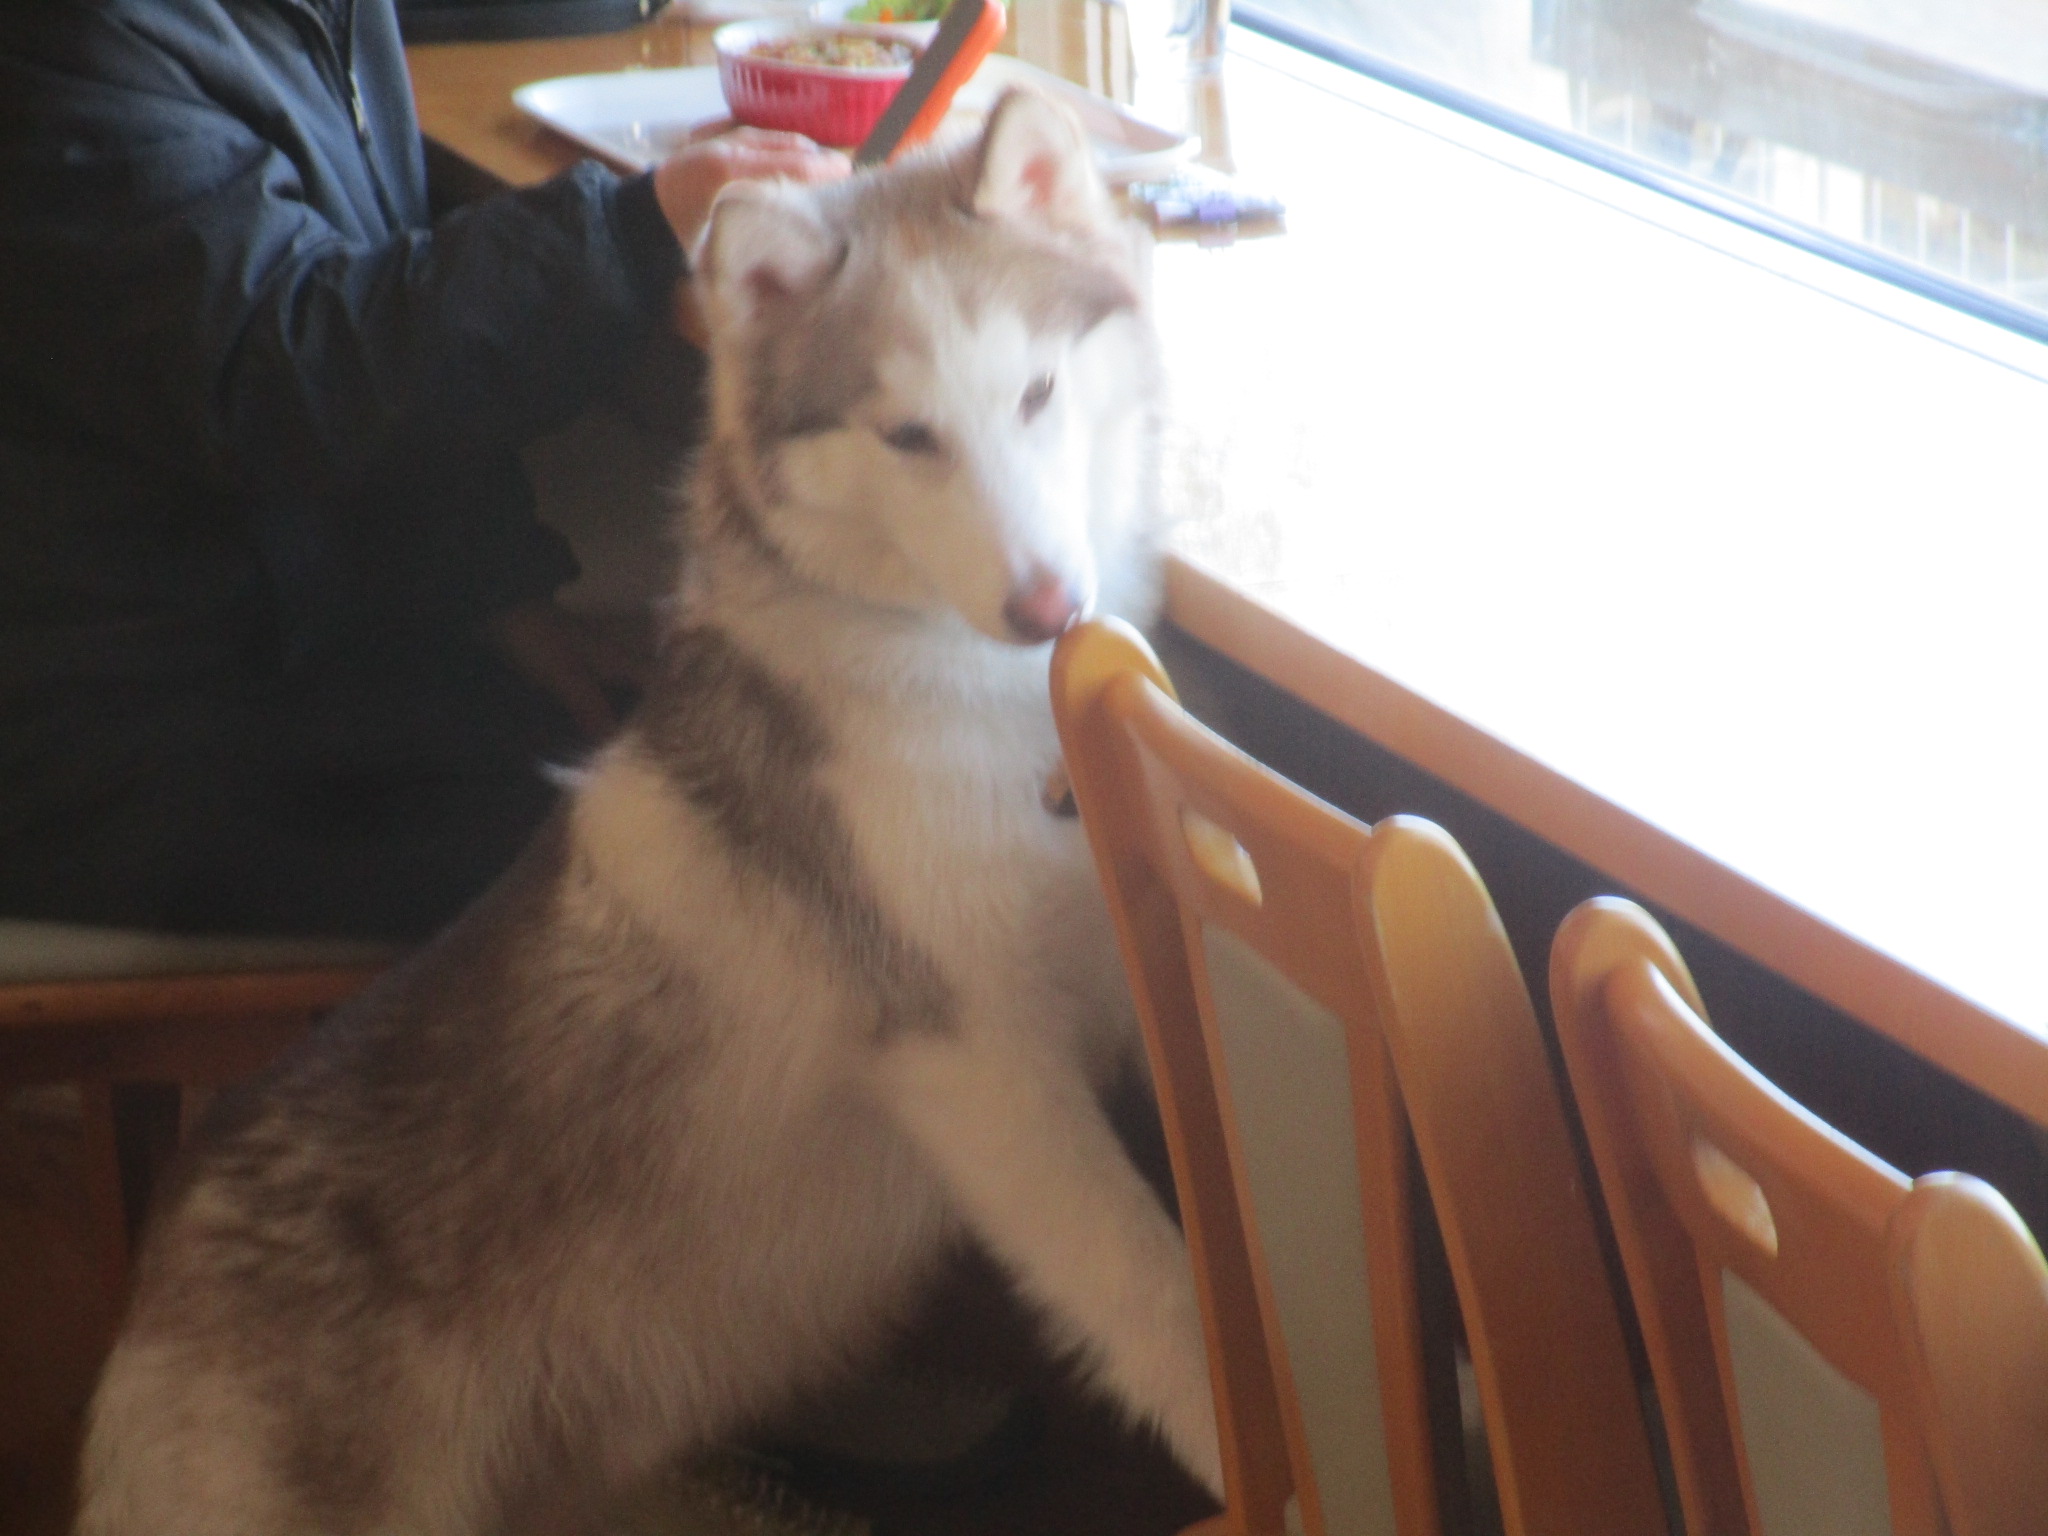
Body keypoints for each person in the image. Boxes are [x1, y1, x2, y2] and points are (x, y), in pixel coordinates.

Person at [0, 0, 848, 940]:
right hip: (111, 736)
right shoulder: (70, 34)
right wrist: (638, 227)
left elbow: (358, 294)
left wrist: (492, 593)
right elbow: (296, 368)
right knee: (728, 858)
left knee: (750, 775)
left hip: (278, 633)